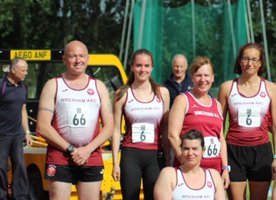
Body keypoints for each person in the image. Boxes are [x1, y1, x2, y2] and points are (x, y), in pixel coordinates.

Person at [36, 40, 115, 200]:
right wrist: (71, 149)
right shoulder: (53, 85)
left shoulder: (98, 86)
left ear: (88, 59)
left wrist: (87, 150)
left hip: (90, 155)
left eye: (81, 56)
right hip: (60, 156)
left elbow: (110, 126)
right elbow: (42, 126)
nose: (78, 60)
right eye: (73, 56)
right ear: (64, 59)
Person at [217, 43, 276, 200]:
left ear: (260, 63)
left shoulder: (271, 88)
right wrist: (222, 157)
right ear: (240, 61)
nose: (249, 63)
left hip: (261, 152)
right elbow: (219, 126)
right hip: (234, 151)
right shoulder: (227, 88)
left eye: (254, 59)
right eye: (245, 58)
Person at [111, 49, 170, 200]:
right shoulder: (122, 94)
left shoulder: (162, 93)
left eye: (146, 65)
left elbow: (165, 128)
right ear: (132, 67)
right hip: (131, 154)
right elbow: (116, 130)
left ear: (152, 68)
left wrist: (169, 158)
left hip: (155, 155)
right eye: (138, 65)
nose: (142, 69)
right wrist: (115, 163)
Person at [168, 56, 230, 188]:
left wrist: (225, 168)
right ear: (192, 77)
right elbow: (172, 135)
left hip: (214, 171)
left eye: (207, 75)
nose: (203, 80)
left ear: (212, 78)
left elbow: (220, 139)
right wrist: (184, 161)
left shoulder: (217, 104)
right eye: (199, 75)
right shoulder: (183, 100)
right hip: (189, 171)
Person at [154, 130, 226, 200]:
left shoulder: (214, 176)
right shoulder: (169, 174)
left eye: (195, 149)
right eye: (186, 149)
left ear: (203, 151)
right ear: (181, 150)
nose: (190, 153)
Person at [0, 57, 32, 200]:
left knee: (19, 165)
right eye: (23, 70)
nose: (26, 73)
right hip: (2, 135)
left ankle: (20, 196)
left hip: (18, 135)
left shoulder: (24, 87)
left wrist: (27, 132)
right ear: (13, 70)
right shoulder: (2, 85)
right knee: (1, 167)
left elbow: (23, 110)